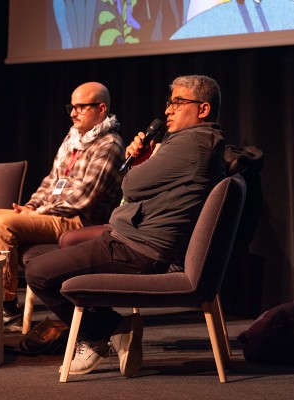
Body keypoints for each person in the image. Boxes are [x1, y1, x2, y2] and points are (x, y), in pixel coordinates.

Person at [25, 75, 227, 377]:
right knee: (44, 255)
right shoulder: (196, 142)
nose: (168, 110)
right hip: (132, 238)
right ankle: (112, 328)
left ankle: (101, 332)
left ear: (203, 109)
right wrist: (146, 159)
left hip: (136, 249)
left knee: (37, 273)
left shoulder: (191, 143)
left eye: (178, 102)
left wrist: (139, 160)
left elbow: (131, 185)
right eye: (169, 102)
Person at [0, 81, 126, 324]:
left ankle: (6, 304)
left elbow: (85, 197)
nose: (73, 113)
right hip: (50, 214)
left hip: (78, 222)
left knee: (4, 224)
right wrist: (31, 206)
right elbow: (51, 180)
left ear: (101, 109)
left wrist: (39, 213)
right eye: (71, 107)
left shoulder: (109, 145)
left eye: (80, 107)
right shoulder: (73, 139)